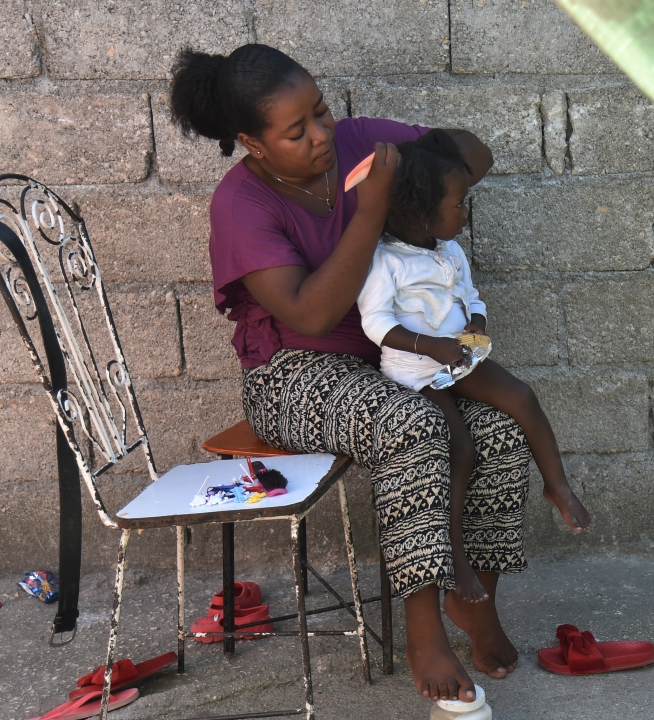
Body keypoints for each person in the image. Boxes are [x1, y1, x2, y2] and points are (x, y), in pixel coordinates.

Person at [169, 43, 568, 702]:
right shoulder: (241, 205)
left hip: (391, 361)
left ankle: (474, 600)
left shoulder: (358, 145)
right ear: (252, 143)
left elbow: (474, 155)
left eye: (322, 113)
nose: (323, 136)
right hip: (295, 375)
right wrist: (377, 207)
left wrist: (419, 171)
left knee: (497, 430)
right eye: (297, 132)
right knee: (411, 427)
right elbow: (315, 311)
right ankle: (423, 630)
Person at [356, 129, 590, 604]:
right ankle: (455, 559)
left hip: (459, 359)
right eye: (459, 204)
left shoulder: (449, 251)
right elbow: (375, 324)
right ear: (422, 212)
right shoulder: (385, 262)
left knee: (521, 396)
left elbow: (469, 295)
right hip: (415, 374)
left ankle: (557, 486)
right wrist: (431, 345)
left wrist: (476, 320)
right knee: (460, 448)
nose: (465, 212)